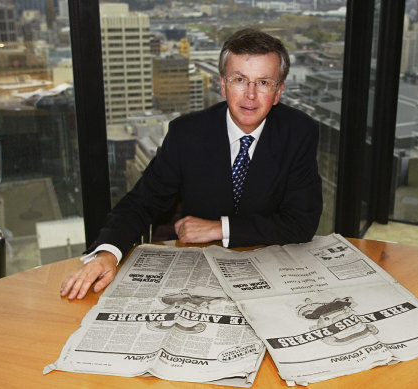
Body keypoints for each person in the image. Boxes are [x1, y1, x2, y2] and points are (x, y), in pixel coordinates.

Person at [60, 28, 322, 300]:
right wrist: (107, 254)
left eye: (264, 83)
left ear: (278, 92)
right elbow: (140, 203)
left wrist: (220, 228)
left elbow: (301, 223)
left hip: (271, 275)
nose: (250, 95)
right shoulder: (187, 134)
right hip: (200, 272)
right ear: (222, 84)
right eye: (239, 80)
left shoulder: (299, 133)